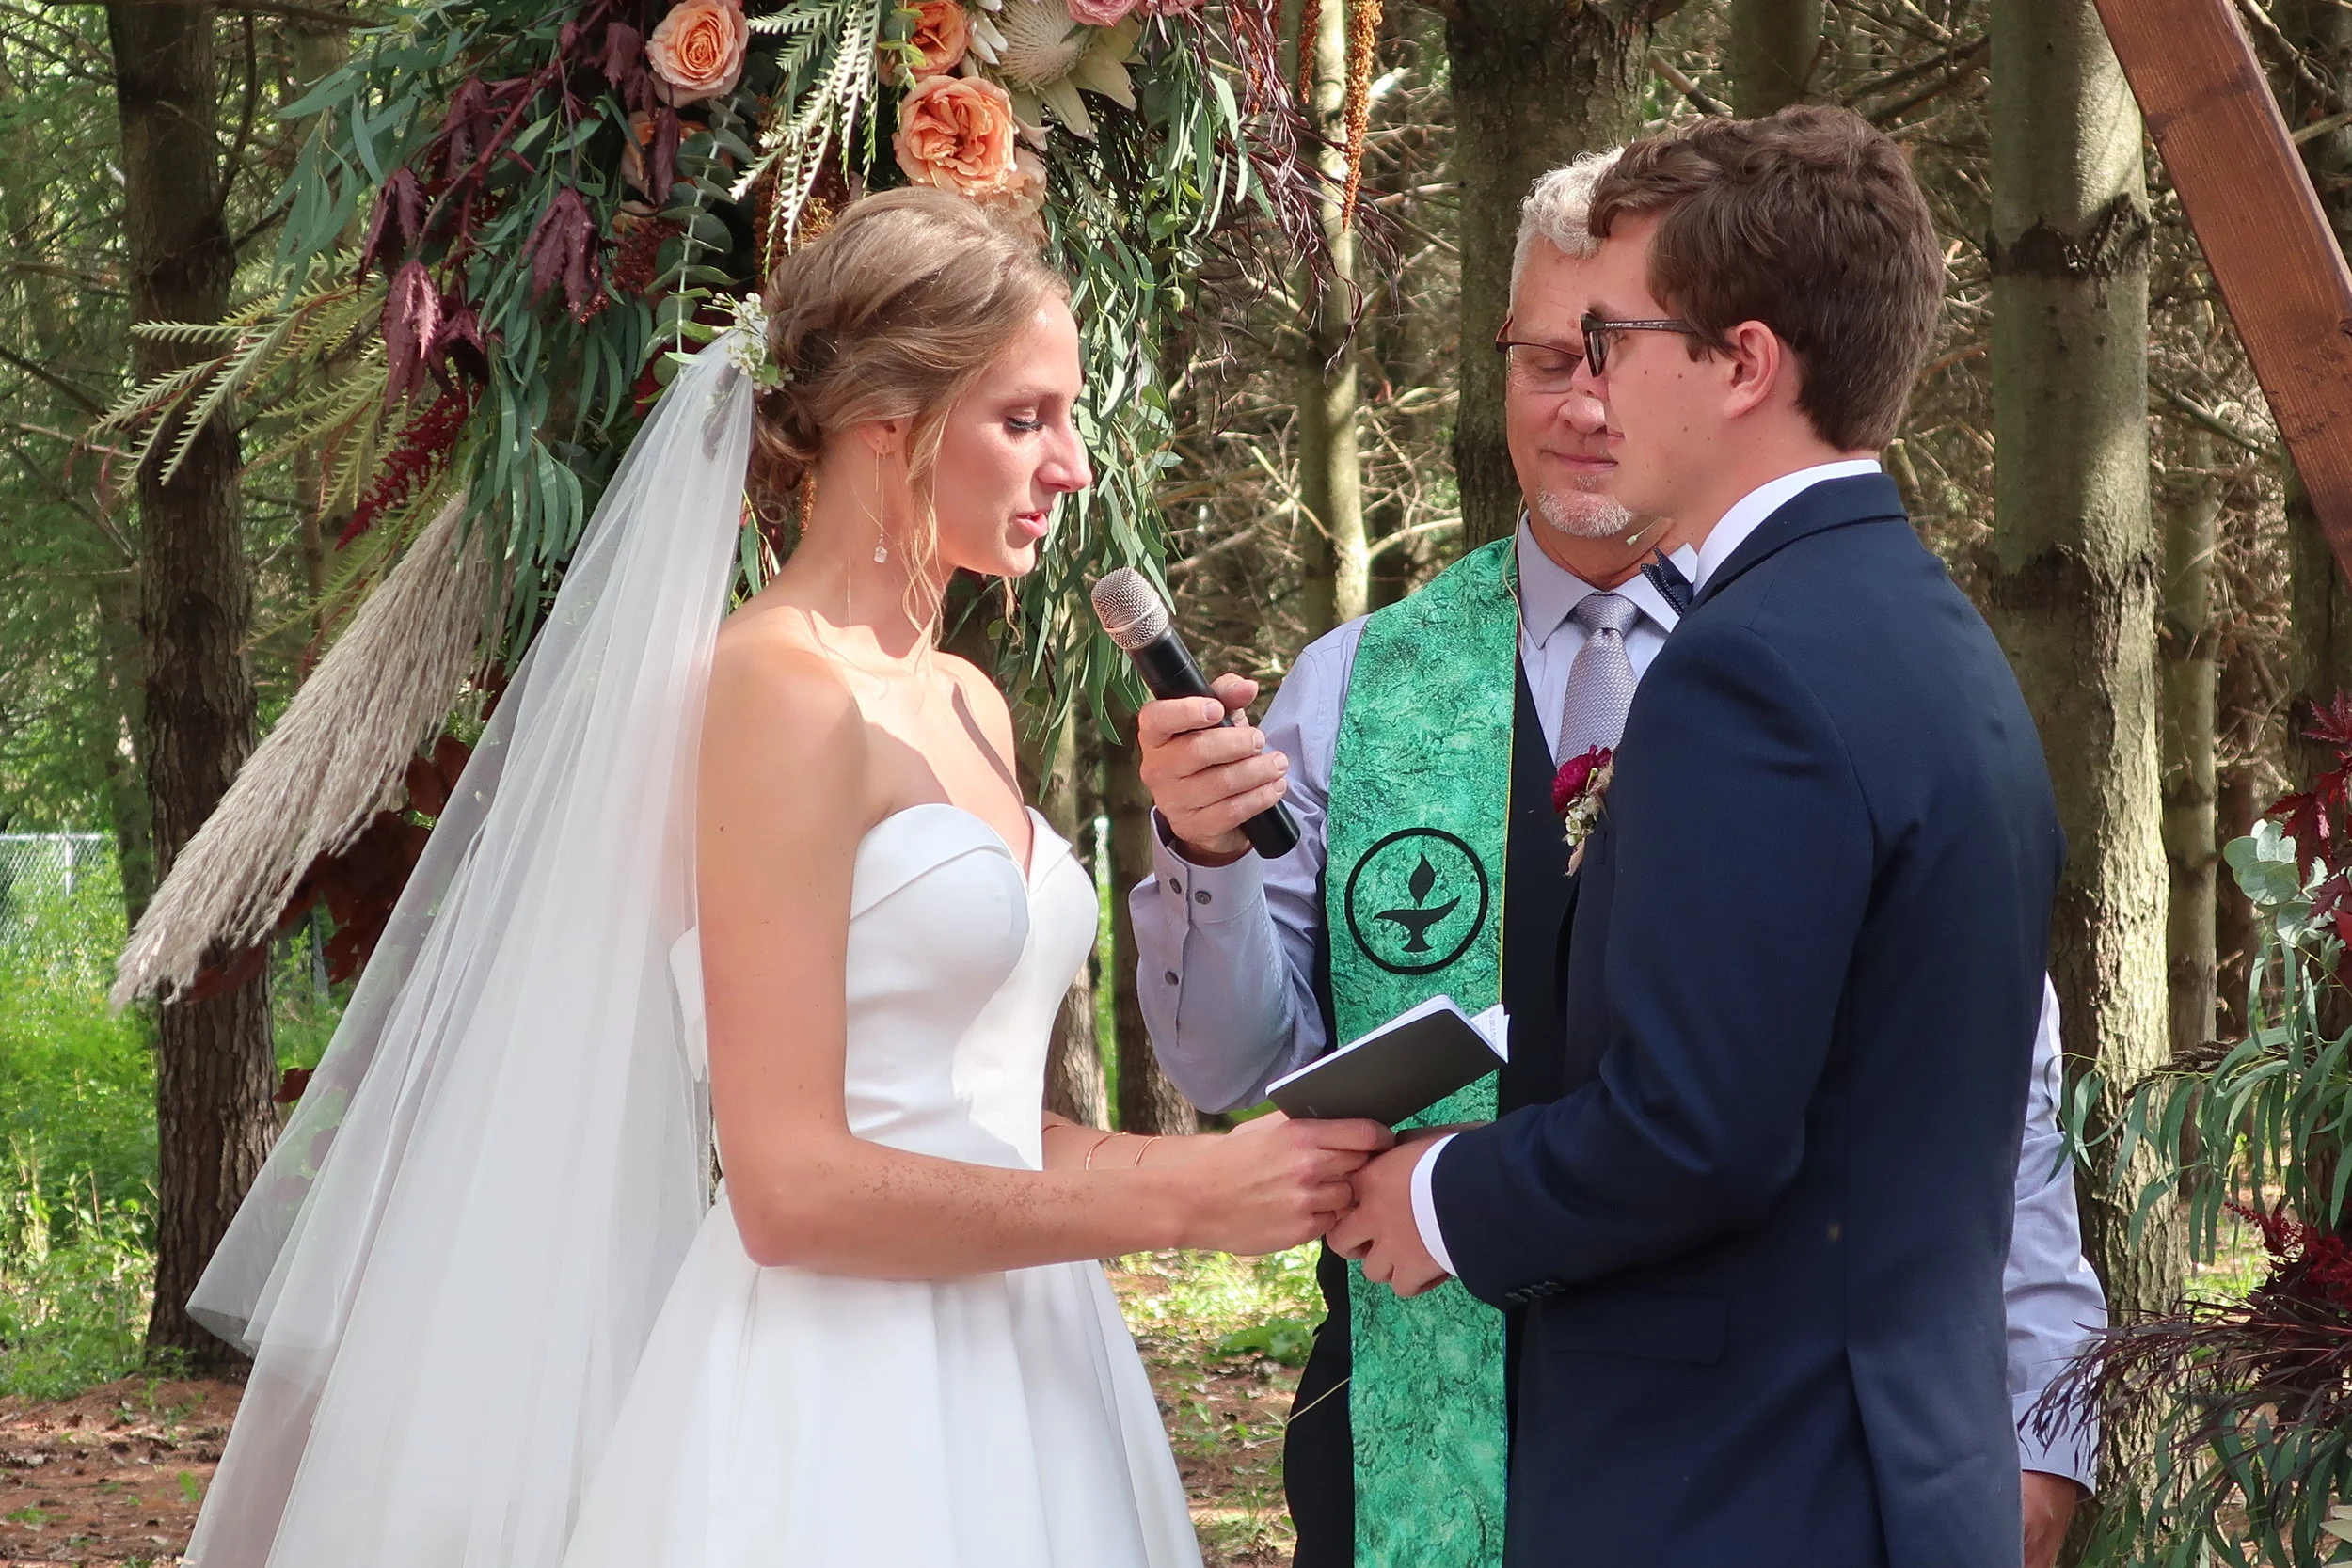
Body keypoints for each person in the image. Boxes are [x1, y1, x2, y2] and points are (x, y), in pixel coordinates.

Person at [178, 189, 1389, 1568]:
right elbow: (789, 1183)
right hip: (841, 1399)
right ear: (892, 424)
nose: (1073, 467)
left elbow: (990, 1124)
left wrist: (1231, 1169)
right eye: (1024, 419)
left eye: (1066, 420)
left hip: (1036, 1360)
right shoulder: (776, 694)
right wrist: (1180, 1204)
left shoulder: (966, 701)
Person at [1136, 138, 2099, 1568]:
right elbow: (1235, 1064)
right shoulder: (1926, 635)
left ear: (1743, 364)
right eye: (1552, 354)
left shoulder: (1753, 665)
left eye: (1619, 341)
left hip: (1733, 1467)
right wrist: (1202, 854)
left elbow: (1828, 1093)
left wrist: (2044, 1403)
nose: (1591, 394)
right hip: (1509, 1431)